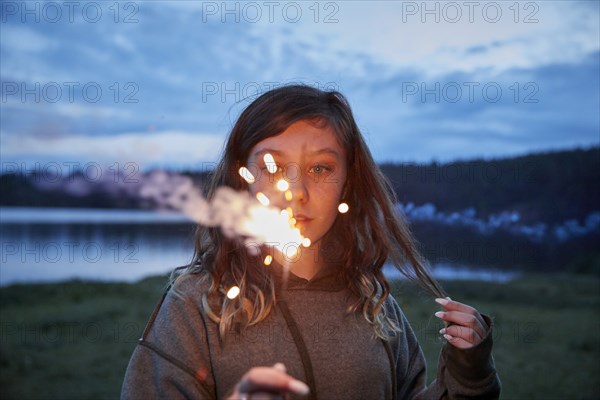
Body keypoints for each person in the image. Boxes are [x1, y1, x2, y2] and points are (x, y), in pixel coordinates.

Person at [121, 84, 501, 399]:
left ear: (346, 183)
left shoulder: (374, 305)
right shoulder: (196, 305)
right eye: (271, 167)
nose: (296, 192)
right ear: (242, 180)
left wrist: (469, 376)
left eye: (320, 168)